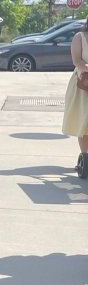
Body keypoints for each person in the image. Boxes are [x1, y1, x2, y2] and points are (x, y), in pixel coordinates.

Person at [61, 18, 88, 178]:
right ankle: (86, 156)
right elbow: (77, 61)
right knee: (84, 124)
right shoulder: (80, 37)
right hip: (83, 86)